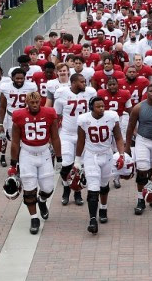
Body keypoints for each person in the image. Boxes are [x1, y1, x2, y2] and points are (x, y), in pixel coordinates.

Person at [10, 91, 60, 234]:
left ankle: (42, 201)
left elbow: (55, 137)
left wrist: (60, 158)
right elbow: (15, 141)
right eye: (32, 102)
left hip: (44, 152)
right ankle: (34, 218)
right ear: (27, 103)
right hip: (27, 154)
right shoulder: (19, 115)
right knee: (29, 189)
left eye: (37, 102)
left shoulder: (50, 113)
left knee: (48, 187)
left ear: (41, 101)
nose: (35, 105)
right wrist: (13, 163)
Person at [76, 97, 125, 234]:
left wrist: (121, 155)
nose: (102, 109)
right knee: (93, 189)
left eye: (103, 106)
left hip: (107, 154)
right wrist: (77, 160)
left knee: (104, 185)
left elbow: (118, 137)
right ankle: (92, 220)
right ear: (91, 108)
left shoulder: (111, 117)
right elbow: (80, 141)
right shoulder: (84, 119)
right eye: (98, 107)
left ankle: (103, 207)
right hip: (91, 155)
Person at [54, 73, 97, 206]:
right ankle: (66, 189)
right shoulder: (62, 94)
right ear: (73, 83)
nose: (85, 84)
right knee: (66, 164)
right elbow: (57, 115)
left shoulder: (90, 93)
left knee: (80, 166)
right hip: (67, 133)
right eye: (82, 82)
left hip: (83, 135)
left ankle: (77, 192)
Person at [126, 85, 152, 215]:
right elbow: (130, 126)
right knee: (142, 170)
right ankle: (140, 199)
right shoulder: (138, 107)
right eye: (151, 91)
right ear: (147, 93)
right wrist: (127, 146)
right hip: (142, 140)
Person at [0, 68, 39, 167]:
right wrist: (0, 124)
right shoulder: (5, 87)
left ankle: (22, 162)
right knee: (14, 141)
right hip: (11, 117)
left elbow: (36, 103)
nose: (19, 80)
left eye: (22, 78)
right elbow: (2, 107)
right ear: (12, 78)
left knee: (26, 140)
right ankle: (15, 162)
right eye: (17, 78)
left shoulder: (31, 86)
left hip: (26, 117)